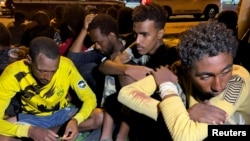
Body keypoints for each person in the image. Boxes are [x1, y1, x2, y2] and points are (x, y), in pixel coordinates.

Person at [118, 21, 250, 141]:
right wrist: (183, 113)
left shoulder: (237, 81)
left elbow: (186, 136)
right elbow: (126, 94)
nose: (218, 86)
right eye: (205, 77)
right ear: (187, 70)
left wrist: (167, 87)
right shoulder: (179, 68)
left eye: (226, 71)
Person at [99, 2, 180, 141]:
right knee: (119, 72)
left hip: (159, 119)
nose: (138, 41)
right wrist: (129, 69)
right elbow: (104, 66)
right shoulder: (136, 47)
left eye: (144, 35)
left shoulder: (171, 56)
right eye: (136, 34)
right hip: (129, 110)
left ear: (160, 33)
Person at [0, 36, 103, 141]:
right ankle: (51, 135)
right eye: (42, 71)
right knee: (2, 137)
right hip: (32, 118)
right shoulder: (12, 74)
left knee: (99, 116)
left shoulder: (66, 65)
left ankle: (51, 134)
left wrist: (76, 120)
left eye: (53, 71)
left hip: (63, 114)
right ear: (29, 60)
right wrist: (29, 131)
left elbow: (89, 97)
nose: (48, 77)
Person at [68, 13, 135, 141]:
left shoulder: (131, 52)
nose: (97, 46)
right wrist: (84, 30)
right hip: (103, 112)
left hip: (124, 117)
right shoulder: (102, 53)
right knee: (87, 69)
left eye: (99, 42)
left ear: (111, 36)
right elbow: (73, 60)